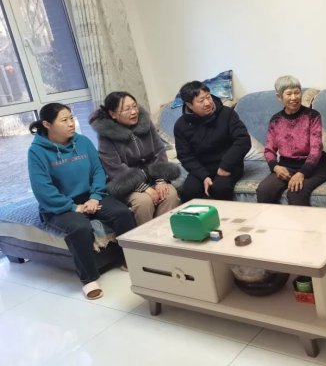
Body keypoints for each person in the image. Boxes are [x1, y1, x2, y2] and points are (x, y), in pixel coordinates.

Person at [28, 103, 136, 300]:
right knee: (80, 227)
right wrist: (72, 207)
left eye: (71, 118)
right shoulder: (37, 152)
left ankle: (129, 259)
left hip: (90, 196)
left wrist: (95, 196)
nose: (71, 123)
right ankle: (89, 279)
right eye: (64, 120)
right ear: (47, 124)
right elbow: (42, 188)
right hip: (58, 205)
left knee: (122, 213)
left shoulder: (83, 141)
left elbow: (98, 171)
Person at [90, 91, 181, 225]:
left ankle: (165, 233)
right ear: (113, 114)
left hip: (153, 177)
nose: (133, 112)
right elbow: (115, 168)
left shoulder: (146, 123)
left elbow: (159, 150)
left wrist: (161, 180)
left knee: (170, 194)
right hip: (127, 184)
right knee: (143, 202)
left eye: (134, 106)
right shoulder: (106, 135)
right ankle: (146, 236)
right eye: (127, 109)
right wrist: (144, 187)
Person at [256, 75, 326, 206]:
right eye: (289, 94)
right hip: (286, 166)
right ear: (279, 97)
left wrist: (302, 173)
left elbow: (316, 149)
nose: (294, 97)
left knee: (296, 192)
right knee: (264, 190)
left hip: (314, 166)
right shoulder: (276, 120)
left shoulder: (312, 116)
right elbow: (269, 150)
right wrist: (276, 167)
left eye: (297, 92)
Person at [174, 80, 251, 202]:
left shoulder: (226, 113)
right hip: (202, 168)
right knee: (189, 192)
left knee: (220, 188)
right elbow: (185, 155)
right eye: (201, 101)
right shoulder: (181, 125)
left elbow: (243, 140)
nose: (207, 103)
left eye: (208, 97)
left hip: (228, 165)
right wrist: (203, 176)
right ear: (189, 105)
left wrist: (225, 166)